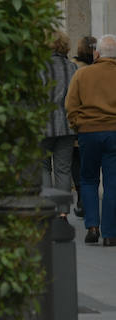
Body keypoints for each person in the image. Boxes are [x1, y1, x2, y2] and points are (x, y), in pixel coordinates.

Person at [66, 34, 116, 246]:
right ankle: (110, 233)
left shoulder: (82, 74)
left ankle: (92, 226)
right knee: (113, 183)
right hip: (114, 132)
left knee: (88, 179)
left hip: (88, 132)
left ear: (97, 54)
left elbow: (71, 104)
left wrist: (78, 124)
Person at [43, 31, 79, 219]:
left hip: (43, 124)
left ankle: (46, 208)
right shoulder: (72, 68)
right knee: (63, 169)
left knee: (43, 167)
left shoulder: (39, 68)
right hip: (66, 125)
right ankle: (63, 212)